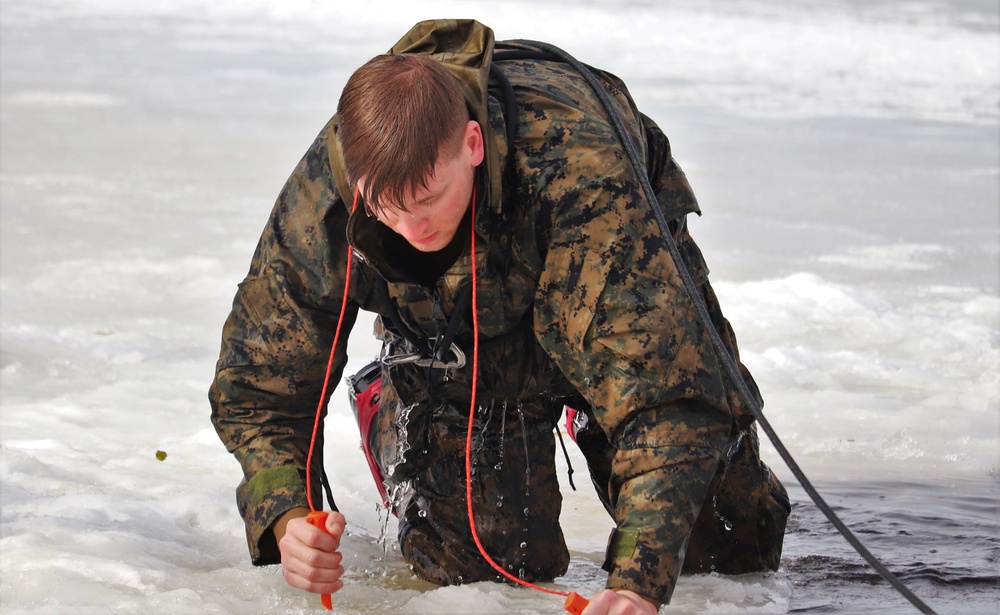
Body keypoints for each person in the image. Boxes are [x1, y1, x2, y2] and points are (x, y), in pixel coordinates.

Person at [210, 19, 790, 613]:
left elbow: (670, 392)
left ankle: (599, 417)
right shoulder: (326, 196)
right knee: (483, 568)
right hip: (462, 348)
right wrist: (283, 514)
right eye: (389, 210)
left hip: (610, 311)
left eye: (430, 199)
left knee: (728, 549)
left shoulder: (581, 171)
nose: (414, 230)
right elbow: (259, 384)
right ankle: (389, 407)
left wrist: (637, 581)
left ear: (472, 145)